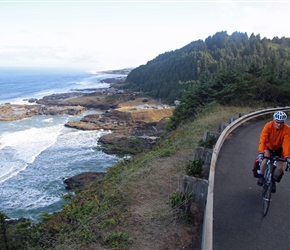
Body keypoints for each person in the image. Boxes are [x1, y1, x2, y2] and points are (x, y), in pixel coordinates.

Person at [257, 111, 290, 193]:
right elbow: (263, 139)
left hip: (279, 149)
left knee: (279, 168)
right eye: (277, 122)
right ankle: (261, 176)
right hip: (269, 147)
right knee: (265, 159)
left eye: (281, 123)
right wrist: (261, 151)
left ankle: (273, 181)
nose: (279, 124)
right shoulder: (268, 125)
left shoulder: (287, 129)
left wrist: (287, 156)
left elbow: (287, 143)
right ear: (274, 120)